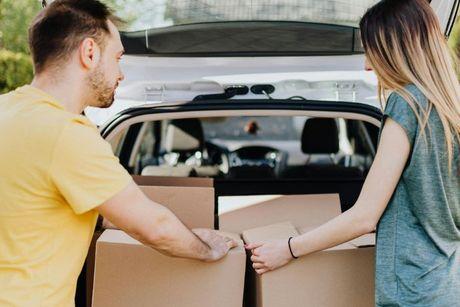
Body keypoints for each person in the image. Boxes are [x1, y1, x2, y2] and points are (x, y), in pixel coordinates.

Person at [0, 1, 236, 306]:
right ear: (89, 53)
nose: (121, 73)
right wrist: (208, 248)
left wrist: (188, 233)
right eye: (118, 57)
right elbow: (155, 227)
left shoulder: (6, 110)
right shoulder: (68, 134)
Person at [246, 0, 460, 305]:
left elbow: (364, 217)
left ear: (393, 50)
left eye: (370, 51)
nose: (367, 66)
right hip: (446, 286)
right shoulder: (450, 110)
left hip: (412, 294)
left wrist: (288, 248)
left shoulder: (407, 104)